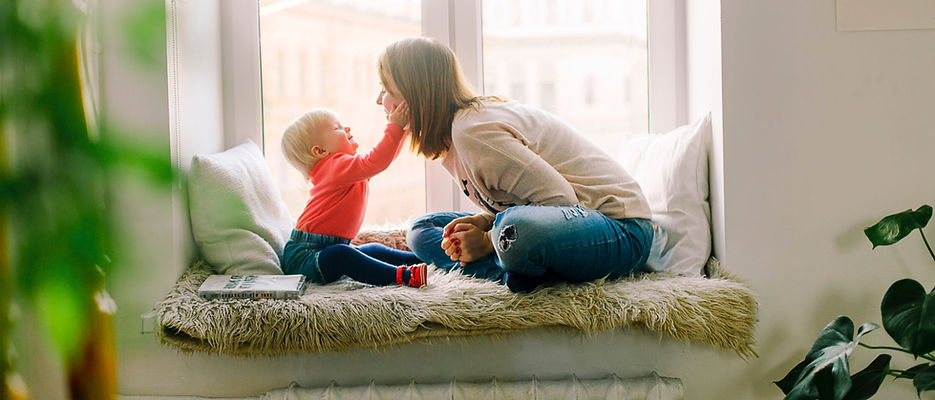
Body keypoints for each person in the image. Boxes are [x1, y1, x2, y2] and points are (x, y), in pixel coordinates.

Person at [376, 37, 654, 293]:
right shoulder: (453, 140)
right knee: (423, 229)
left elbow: (561, 201)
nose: (380, 100)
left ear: (417, 95)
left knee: (514, 230)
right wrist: (485, 224)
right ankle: (514, 272)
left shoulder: (473, 131)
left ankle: (509, 265)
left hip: (621, 230)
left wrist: (486, 240)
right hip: (561, 224)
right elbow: (525, 204)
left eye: (387, 89)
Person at [280, 105, 427, 288]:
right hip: (305, 256)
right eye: (337, 128)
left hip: (326, 248)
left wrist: (403, 132)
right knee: (342, 255)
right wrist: (395, 127)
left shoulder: (343, 169)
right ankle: (403, 276)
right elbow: (377, 160)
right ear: (320, 151)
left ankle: (423, 259)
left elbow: (382, 161)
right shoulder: (334, 167)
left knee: (372, 250)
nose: (347, 128)